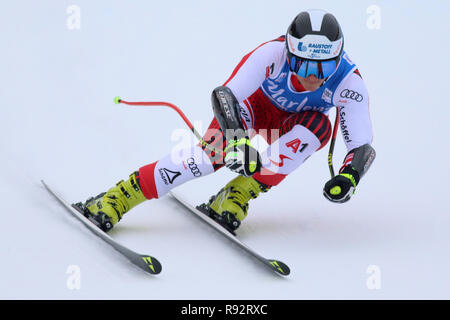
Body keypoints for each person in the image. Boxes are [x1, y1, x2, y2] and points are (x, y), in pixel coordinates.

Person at [80, 9, 376, 233]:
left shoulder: (348, 81)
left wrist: (349, 176)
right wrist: (237, 140)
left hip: (291, 127)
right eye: (303, 63)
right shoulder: (272, 54)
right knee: (209, 158)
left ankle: (236, 193)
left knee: (318, 129)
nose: (313, 75)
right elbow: (226, 95)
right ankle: (118, 197)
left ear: (338, 59)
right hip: (249, 110)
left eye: (324, 66)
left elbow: (362, 145)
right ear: (289, 52)